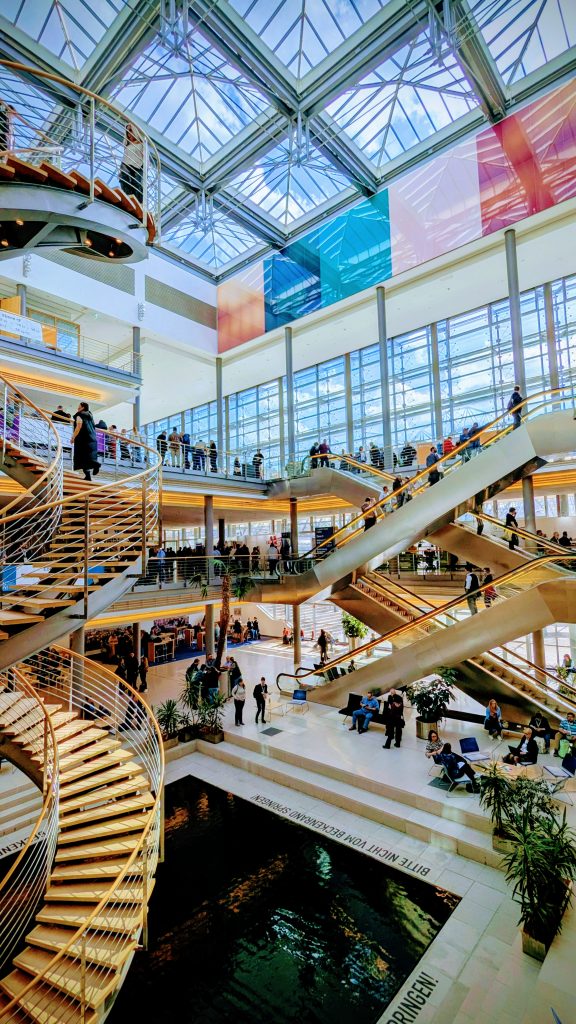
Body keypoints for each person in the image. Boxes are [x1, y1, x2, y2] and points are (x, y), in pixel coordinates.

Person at [71, 401, 100, 481]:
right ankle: (88, 476)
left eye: (79, 406)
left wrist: (73, 437)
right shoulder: (90, 415)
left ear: (83, 407)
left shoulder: (79, 415)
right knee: (86, 459)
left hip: (83, 439)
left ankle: (96, 465)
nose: (77, 408)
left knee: (82, 457)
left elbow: (79, 426)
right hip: (92, 439)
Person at [119, 123, 144, 202]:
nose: (129, 133)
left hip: (137, 166)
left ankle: (139, 203)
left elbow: (145, 157)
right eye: (127, 131)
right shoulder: (127, 145)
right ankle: (128, 199)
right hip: (126, 165)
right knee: (124, 179)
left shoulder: (141, 144)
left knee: (136, 184)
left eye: (130, 130)